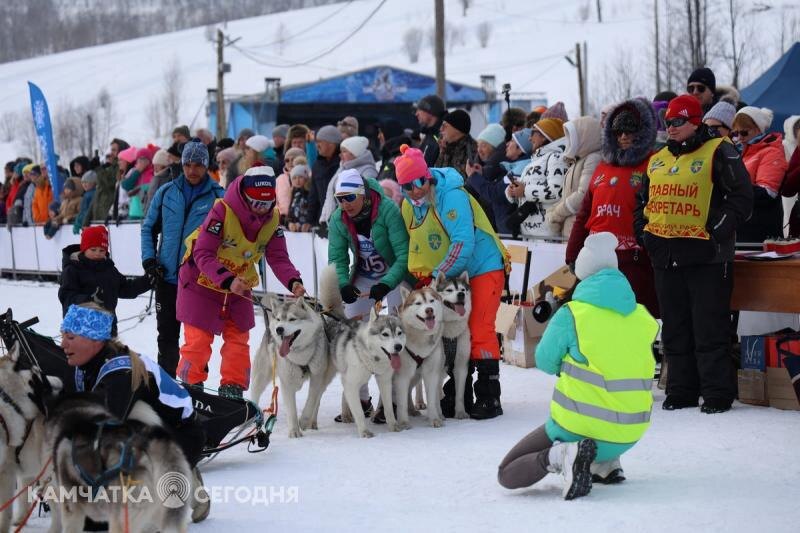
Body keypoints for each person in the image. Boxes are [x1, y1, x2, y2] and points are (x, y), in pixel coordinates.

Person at [497, 232, 659, 500]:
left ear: (583, 273)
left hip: (578, 428)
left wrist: (569, 363)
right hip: (631, 432)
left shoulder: (572, 314)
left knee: (506, 472)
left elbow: (545, 361)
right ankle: (606, 464)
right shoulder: (643, 316)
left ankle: (561, 455)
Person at [633, 94, 753, 413]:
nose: (670, 128)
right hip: (666, 255)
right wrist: (643, 233)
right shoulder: (657, 158)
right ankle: (681, 390)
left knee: (709, 328)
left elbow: (742, 197)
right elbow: (641, 202)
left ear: (695, 122)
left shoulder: (719, 150)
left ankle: (716, 393)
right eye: (666, 122)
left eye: (677, 122)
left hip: (708, 256)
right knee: (674, 328)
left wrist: (717, 230)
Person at [58, 303, 209, 522]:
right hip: (158, 435)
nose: (63, 344)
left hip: (181, 439)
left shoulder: (120, 374)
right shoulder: (88, 364)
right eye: (62, 336)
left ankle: (179, 480)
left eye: (70, 338)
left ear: (95, 339)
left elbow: (102, 432)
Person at [394, 144, 510, 419]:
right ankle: (460, 393)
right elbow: (416, 247)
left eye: (420, 182)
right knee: (449, 331)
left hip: (483, 265)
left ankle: (488, 394)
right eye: (407, 187)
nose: (415, 190)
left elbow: (462, 242)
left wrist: (437, 278)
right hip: (451, 275)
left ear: (429, 177)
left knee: (478, 327)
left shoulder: (452, 196)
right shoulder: (410, 208)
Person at [176, 165, 305, 399]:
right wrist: (227, 279)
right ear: (244, 196)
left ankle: (232, 389)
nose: (261, 209)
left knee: (238, 337)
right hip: (200, 282)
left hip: (239, 284)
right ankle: (190, 387)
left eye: (266, 204)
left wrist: (293, 281)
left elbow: (278, 257)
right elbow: (203, 252)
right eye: (256, 204)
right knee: (198, 340)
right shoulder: (222, 211)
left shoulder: (272, 219)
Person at [327, 170, 412, 421]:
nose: (345, 204)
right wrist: (343, 284)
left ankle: (394, 404)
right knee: (355, 335)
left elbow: (403, 255)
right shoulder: (338, 218)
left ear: (363, 195)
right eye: (339, 198)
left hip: (393, 274)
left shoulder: (387, 210)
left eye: (350, 197)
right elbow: (337, 258)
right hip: (364, 276)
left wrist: (386, 284)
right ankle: (361, 400)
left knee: (395, 334)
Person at [566, 99, 660, 317]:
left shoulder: (653, 164)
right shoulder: (602, 167)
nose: (624, 137)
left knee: (634, 319)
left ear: (642, 132)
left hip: (634, 261)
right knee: (596, 319)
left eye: (630, 131)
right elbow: (584, 213)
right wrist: (572, 252)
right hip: (597, 260)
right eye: (618, 132)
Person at [141, 139, 225, 377]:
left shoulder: (219, 196)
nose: (192, 169)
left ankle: (193, 387)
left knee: (197, 339)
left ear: (206, 165)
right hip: (166, 278)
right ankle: (166, 385)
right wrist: (149, 260)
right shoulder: (166, 192)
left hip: (199, 282)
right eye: (188, 163)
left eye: (198, 164)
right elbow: (148, 228)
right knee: (166, 336)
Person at [59, 225, 151, 335]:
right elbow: (67, 297)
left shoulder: (109, 269)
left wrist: (148, 281)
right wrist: (89, 301)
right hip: (80, 329)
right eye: (93, 249)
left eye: (101, 250)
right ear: (84, 248)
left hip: (107, 327)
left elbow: (125, 288)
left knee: (110, 352)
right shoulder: (72, 270)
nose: (97, 253)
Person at [505, 118, 569, 237]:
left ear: (544, 136)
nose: (530, 138)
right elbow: (525, 191)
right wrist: (512, 192)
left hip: (546, 237)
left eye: (533, 133)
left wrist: (524, 191)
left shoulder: (556, 158)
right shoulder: (534, 161)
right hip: (529, 235)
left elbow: (557, 191)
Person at [732, 106, 787, 242]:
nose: (739, 138)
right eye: (735, 133)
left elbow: (768, 193)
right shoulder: (740, 152)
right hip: (743, 227)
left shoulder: (772, 152)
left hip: (760, 231)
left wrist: (732, 187)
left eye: (744, 133)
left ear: (758, 130)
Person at [546, 116, 602, 238]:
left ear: (585, 137)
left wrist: (558, 213)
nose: (570, 141)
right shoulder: (578, 160)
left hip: (580, 228)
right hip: (571, 227)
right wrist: (552, 212)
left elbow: (583, 194)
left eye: (573, 136)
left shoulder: (593, 159)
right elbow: (568, 194)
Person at [319, 135, 379, 224]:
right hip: (336, 222)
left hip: (354, 224)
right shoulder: (342, 168)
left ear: (355, 153)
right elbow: (329, 196)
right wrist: (324, 219)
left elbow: (367, 198)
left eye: (344, 151)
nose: (340, 155)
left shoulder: (368, 171)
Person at [308, 125, 342, 225]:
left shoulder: (343, 165)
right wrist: (309, 221)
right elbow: (313, 196)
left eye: (320, 142)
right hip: (322, 221)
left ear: (331, 144)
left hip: (341, 222)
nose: (316, 145)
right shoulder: (317, 166)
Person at [435, 109, 477, 179]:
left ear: (457, 129)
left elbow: (462, 180)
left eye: (445, 126)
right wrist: (442, 152)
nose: (441, 129)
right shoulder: (447, 146)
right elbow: (438, 176)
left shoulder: (472, 150)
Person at [414, 94, 446, 166]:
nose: (416, 114)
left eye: (419, 110)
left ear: (430, 112)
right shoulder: (429, 134)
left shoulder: (443, 135)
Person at [287, 164, 312, 232]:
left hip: (307, 230)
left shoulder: (309, 193)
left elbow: (311, 211)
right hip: (295, 231)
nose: (297, 180)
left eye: (300, 177)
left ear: (306, 178)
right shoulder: (293, 193)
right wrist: (290, 223)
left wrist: (305, 224)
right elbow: (290, 212)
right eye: (294, 178)